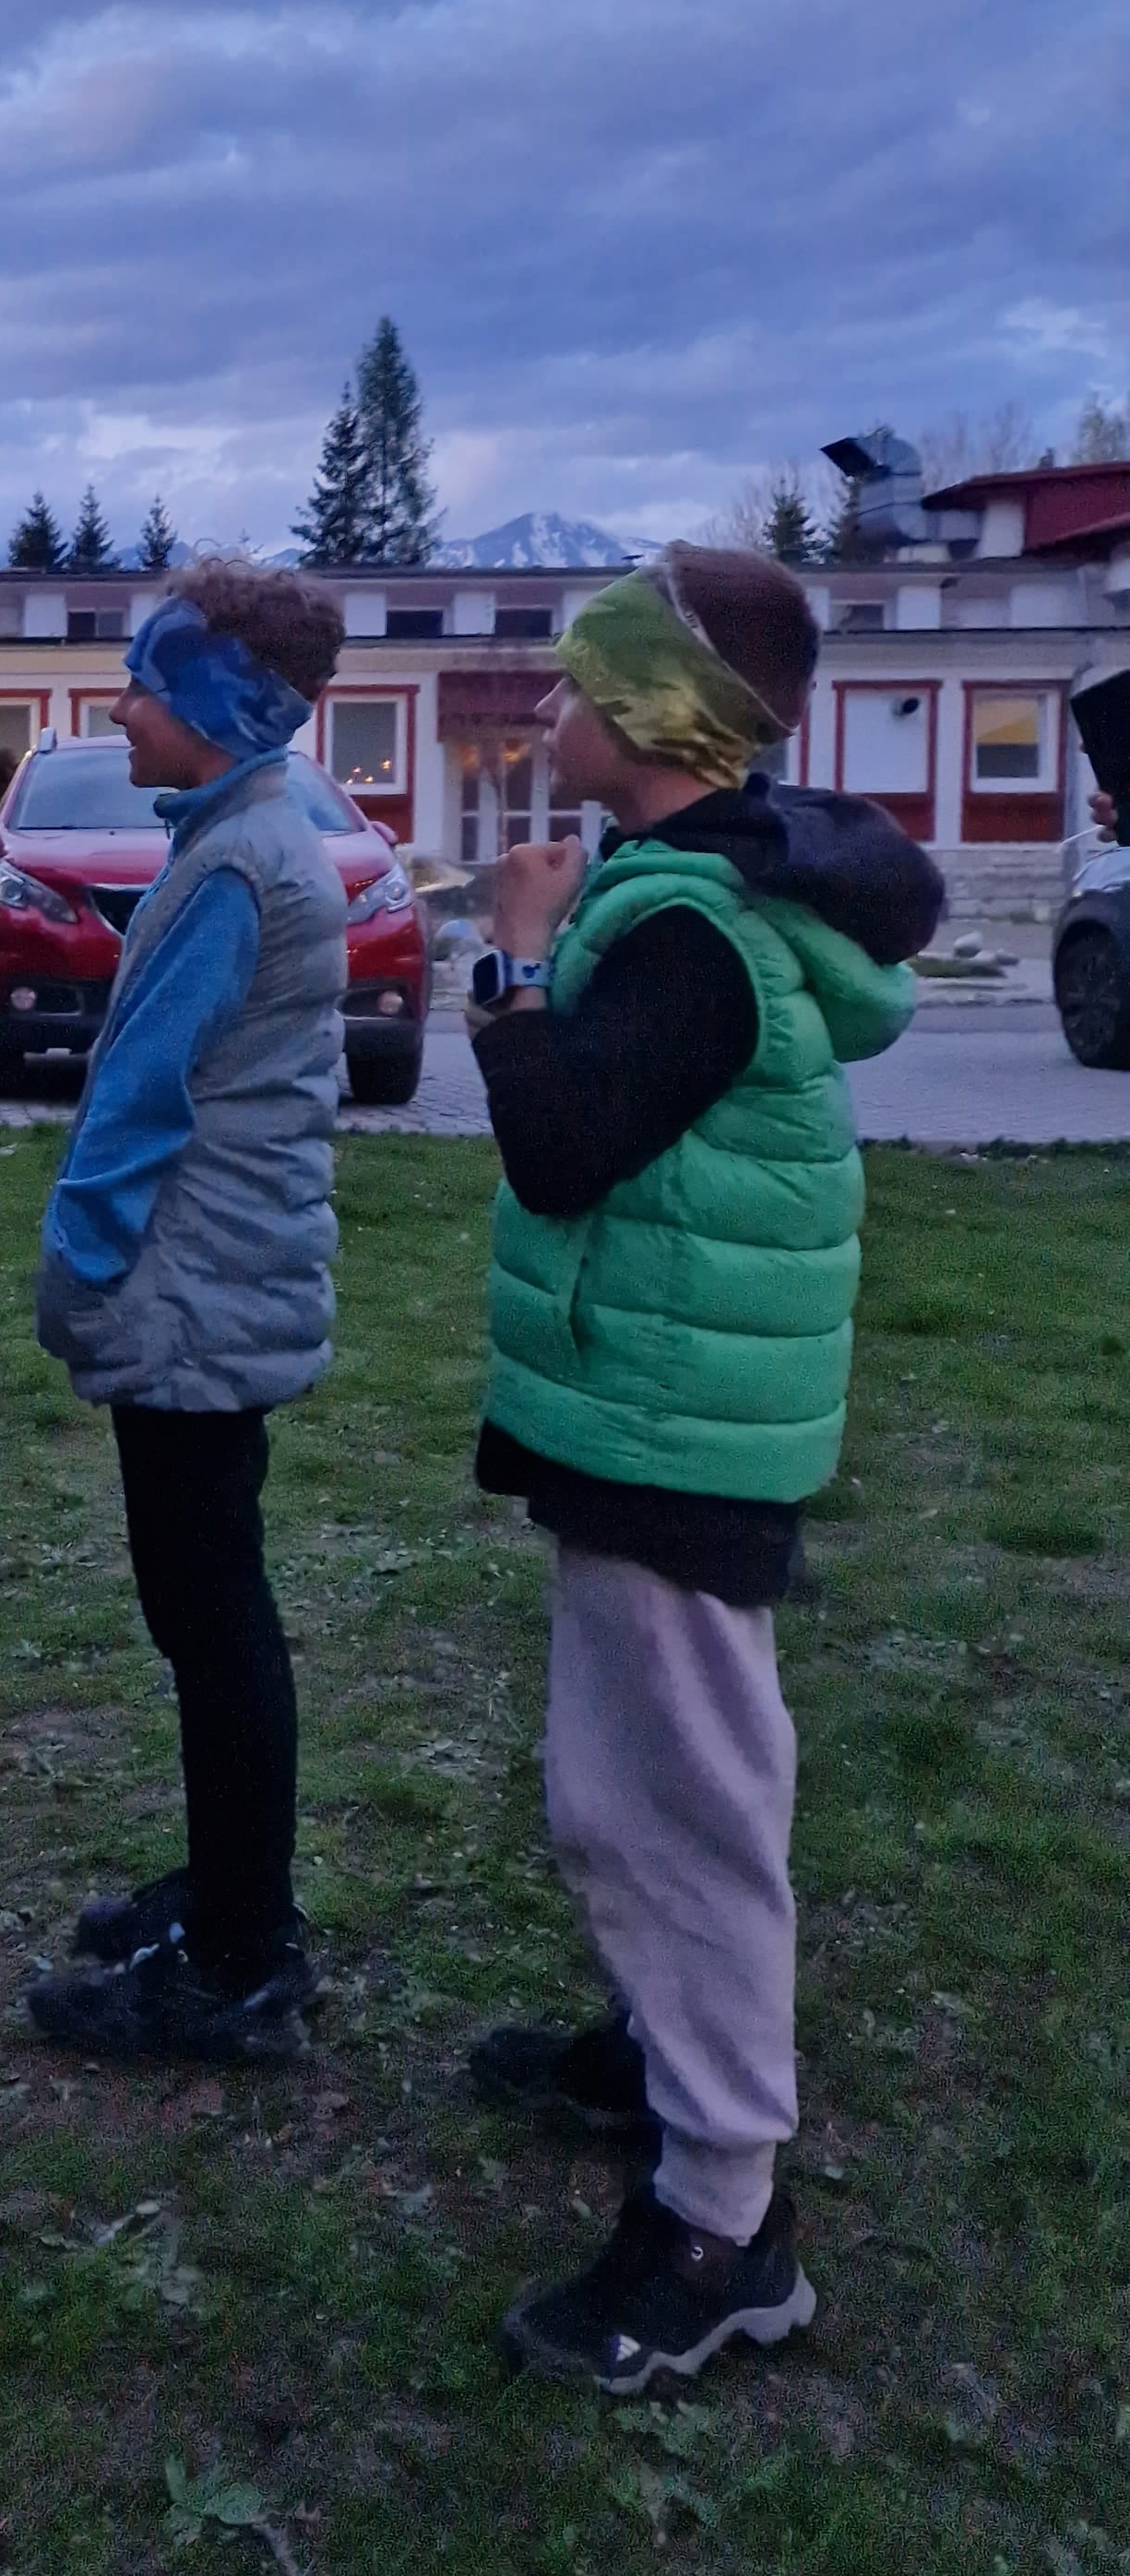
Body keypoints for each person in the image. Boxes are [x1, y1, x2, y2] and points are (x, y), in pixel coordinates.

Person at [467, 548, 941, 2393]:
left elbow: (565, 1142)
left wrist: (509, 955)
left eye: (578, 686)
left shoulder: (690, 930)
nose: (545, 714)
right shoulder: (695, 890)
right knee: (634, 1778)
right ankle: (663, 2054)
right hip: (654, 1409)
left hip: (677, 1427)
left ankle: (724, 2216)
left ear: (663, 711)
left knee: (672, 1796)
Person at [21, 559, 351, 2066]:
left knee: (211, 1616)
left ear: (219, 708)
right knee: (205, 1608)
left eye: (145, 683)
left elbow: (142, 1094)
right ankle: (231, 1887)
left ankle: (238, 1956)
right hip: (225, 1285)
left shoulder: (231, 869)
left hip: (188, 1292)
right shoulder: (253, 832)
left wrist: (76, 1265)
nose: (119, 703)